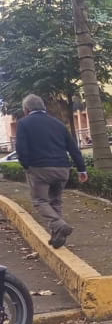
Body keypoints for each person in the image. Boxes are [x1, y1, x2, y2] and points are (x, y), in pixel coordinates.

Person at [14, 95, 88, 249]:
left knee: (40, 201)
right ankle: (56, 237)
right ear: (44, 107)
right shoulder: (58, 124)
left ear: (26, 110)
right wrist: (82, 169)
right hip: (62, 169)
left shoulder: (23, 123)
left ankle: (59, 225)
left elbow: (21, 149)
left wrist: (26, 165)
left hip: (39, 169)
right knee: (56, 201)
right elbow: (73, 148)